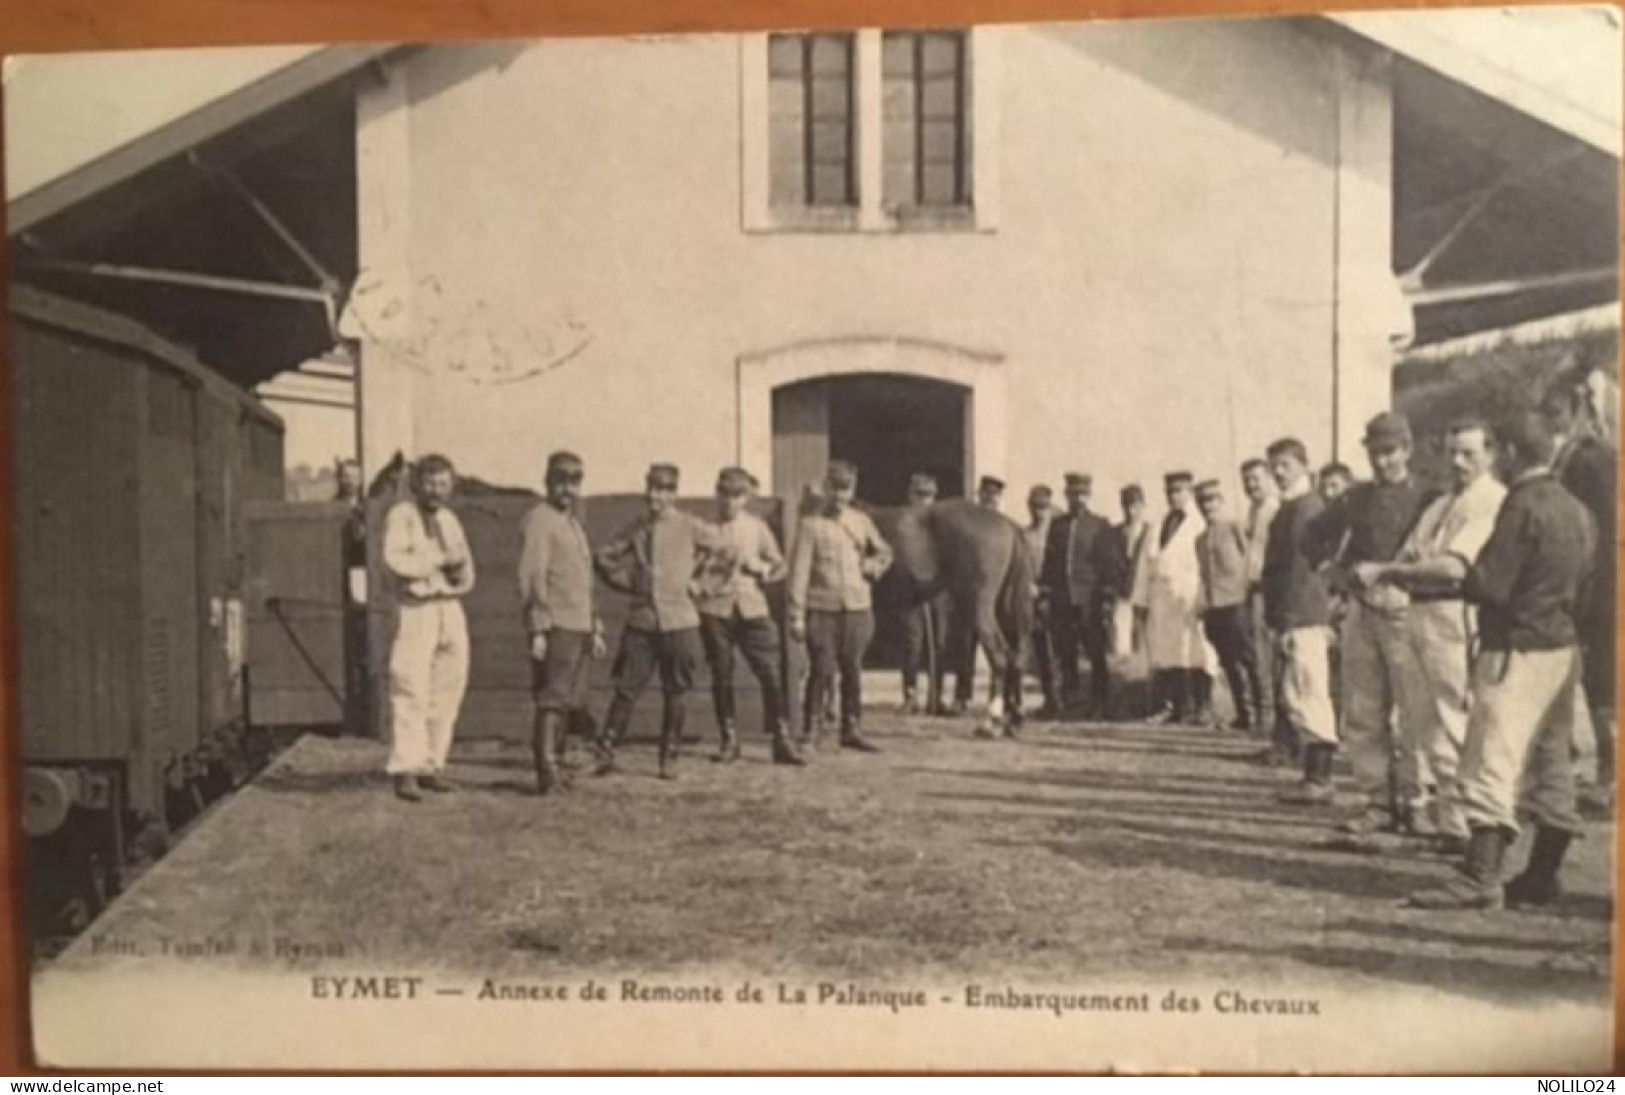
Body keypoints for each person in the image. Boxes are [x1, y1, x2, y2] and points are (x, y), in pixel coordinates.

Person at [1401, 411, 1595, 910]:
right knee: (1553, 764)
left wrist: (1439, 580)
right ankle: (1543, 875)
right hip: (1561, 646)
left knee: (1491, 760)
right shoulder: (1576, 508)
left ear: (1507, 454)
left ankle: (1479, 877)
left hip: (1515, 648)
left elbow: (1491, 582)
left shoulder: (1520, 505)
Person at [1356, 420, 1505, 850]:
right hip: (1418, 611)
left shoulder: (1490, 500)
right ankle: (1452, 825)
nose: (1457, 462)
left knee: (1456, 721)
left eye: (1468, 454)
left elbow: (1451, 566)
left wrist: (1389, 571)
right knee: (1425, 725)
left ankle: (1471, 828)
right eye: (1452, 453)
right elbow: (1413, 552)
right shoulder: (1442, 503)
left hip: (1453, 613)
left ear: (1490, 456)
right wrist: (1407, 568)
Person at [1304, 412, 1435, 835]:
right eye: (1375, 453)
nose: (1382, 462)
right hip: (1361, 609)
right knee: (1364, 710)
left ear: (1407, 450)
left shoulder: (1429, 498)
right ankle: (1377, 800)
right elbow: (1312, 535)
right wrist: (1332, 572)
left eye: (1390, 452)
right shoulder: (1355, 499)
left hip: (1407, 609)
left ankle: (1418, 802)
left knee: (1414, 710)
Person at [592, 463, 724, 781]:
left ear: (675, 494)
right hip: (643, 621)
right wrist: (628, 582)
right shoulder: (637, 527)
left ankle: (670, 757)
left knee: (676, 691)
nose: (657, 496)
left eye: (665, 490)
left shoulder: (690, 526)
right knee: (627, 688)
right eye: (653, 488)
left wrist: (702, 585)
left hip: (680, 621)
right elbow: (603, 556)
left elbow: (727, 553)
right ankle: (605, 752)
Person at [1543, 366, 1618, 810]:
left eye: (1557, 412)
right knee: (1595, 682)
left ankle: (1611, 777)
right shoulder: (1571, 457)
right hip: (1587, 583)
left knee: (1605, 681)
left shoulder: (1594, 459)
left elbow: (1607, 528)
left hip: (1603, 583)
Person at [381, 454, 475, 802]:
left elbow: (466, 569)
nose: (436, 491)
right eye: (430, 483)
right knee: (410, 685)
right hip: (416, 607)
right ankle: (405, 769)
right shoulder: (401, 515)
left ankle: (432, 764)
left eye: (443, 484)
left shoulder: (450, 519)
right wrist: (437, 560)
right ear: (417, 483)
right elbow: (396, 560)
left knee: (449, 685)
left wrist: (456, 570)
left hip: (449, 606)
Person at [695, 466, 804, 767]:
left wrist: (764, 569)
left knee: (771, 672)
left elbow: (781, 565)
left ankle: (781, 739)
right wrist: (703, 576)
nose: (730, 502)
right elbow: (690, 570)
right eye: (725, 494)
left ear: (746, 498)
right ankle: (729, 739)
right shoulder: (704, 528)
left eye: (737, 495)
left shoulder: (756, 527)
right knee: (722, 674)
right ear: (717, 494)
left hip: (752, 607)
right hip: (715, 609)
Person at [517, 451, 607, 795]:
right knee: (551, 698)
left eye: (575, 481)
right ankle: (547, 770)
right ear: (547, 482)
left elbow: (583, 580)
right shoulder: (539, 520)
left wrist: (595, 624)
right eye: (560, 480)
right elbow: (531, 576)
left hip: (579, 624)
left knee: (569, 698)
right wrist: (539, 627)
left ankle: (560, 764)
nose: (568, 488)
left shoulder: (572, 523)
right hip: (556, 626)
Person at [787, 461, 893, 753]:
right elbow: (799, 573)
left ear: (853, 489)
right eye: (834, 488)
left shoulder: (860, 522)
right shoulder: (810, 525)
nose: (839, 496)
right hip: (823, 610)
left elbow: (885, 552)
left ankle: (851, 728)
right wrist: (796, 616)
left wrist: (873, 566)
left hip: (858, 608)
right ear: (825, 487)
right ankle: (812, 728)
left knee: (853, 670)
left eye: (845, 489)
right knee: (821, 670)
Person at [1262, 438, 1338, 800]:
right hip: (1291, 615)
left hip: (1304, 614)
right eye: (1273, 465)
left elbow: (1299, 571)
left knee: (1310, 691)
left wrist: (1289, 618)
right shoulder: (1287, 508)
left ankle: (1320, 778)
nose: (1278, 472)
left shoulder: (1308, 509)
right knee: (1297, 693)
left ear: (1304, 466)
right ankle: (1313, 773)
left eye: (1285, 465)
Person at [1133, 471, 1209, 724]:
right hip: (1160, 598)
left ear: (1190, 491)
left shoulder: (1199, 524)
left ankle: (1195, 707)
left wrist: (1203, 599)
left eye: (1179, 490)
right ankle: (1168, 706)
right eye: (1170, 491)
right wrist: (1140, 599)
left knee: (1192, 653)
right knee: (1163, 654)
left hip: (1187, 596)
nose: (1174, 496)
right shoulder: (1158, 524)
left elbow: (1205, 565)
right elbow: (1145, 563)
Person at [1040, 473, 1113, 719]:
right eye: (1073, 494)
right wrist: (1046, 592)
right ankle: (1071, 701)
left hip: (1089, 600)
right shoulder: (1057, 525)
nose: (1078, 499)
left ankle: (1101, 702)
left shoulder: (1100, 525)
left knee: (1095, 651)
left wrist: (1105, 598)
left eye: (1082, 494)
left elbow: (1107, 564)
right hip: (1062, 599)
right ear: (1066, 496)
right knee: (1065, 650)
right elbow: (1050, 563)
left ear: (1089, 496)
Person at [1195, 480, 1263, 731]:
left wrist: (1247, 595)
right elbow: (1204, 575)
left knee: (1250, 659)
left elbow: (1250, 562)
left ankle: (1262, 714)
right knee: (1228, 661)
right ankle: (1243, 714)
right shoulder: (1200, 540)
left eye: (1212, 500)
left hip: (1237, 602)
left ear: (1221, 501)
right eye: (1203, 501)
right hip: (1215, 607)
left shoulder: (1234, 528)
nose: (1208, 506)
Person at [900, 473, 952, 716]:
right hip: (911, 592)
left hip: (939, 591)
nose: (924, 501)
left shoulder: (944, 526)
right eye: (919, 495)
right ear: (910, 496)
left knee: (940, 643)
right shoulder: (903, 524)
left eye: (929, 495)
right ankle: (910, 695)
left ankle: (937, 695)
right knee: (912, 643)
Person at [1241, 459, 1281, 741]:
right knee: (1259, 657)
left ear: (1268, 477)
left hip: (1272, 591)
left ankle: (1274, 725)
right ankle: (1266, 721)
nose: (1251, 485)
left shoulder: (1274, 509)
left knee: (1272, 659)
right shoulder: (1253, 511)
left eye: (1256, 479)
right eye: (1247, 480)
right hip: (1254, 590)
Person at [1023, 484, 1061, 718]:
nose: (1039, 512)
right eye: (1035, 507)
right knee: (1040, 652)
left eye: (1043, 507)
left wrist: (1048, 590)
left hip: (1054, 597)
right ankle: (1050, 700)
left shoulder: (1057, 533)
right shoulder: (1025, 535)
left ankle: (1061, 700)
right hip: (1032, 597)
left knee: (1057, 652)